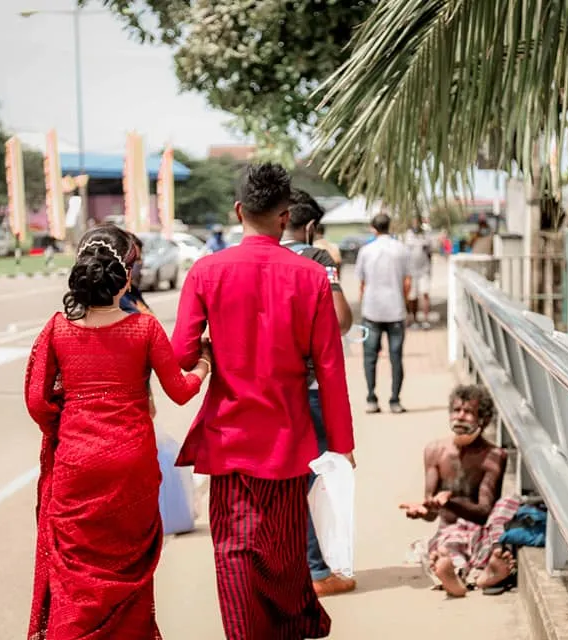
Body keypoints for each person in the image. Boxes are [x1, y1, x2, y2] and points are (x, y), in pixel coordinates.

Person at [171, 163, 355, 639]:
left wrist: (208, 355)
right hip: (289, 442)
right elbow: (330, 366)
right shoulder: (311, 276)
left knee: (234, 552)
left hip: (228, 442)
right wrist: (340, 440)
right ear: (285, 215)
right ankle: (294, 627)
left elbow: (181, 354)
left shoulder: (206, 271)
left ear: (238, 211)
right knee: (286, 556)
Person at [24, 224, 212, 639]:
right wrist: (203, 364)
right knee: (129, 572)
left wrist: (73, 418)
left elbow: (37, 402)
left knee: (76, 576)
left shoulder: (56, 330)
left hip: (76, 463)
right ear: (124, 278)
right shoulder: (143, 328)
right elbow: (180, 392)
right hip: (132, 466)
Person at [282, 188, 356, 596]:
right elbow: (341, 320)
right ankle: (316, 570)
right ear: (310, 227)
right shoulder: (316, 259)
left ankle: (290, 567)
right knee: (318, 476)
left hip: (265, 389)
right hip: (308, 385)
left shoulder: (259, 261)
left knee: (281, 477)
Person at [399, 384, 518, 598]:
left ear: (483, 419)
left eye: (469, 412)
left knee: (506, 510)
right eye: (456, 410)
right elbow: (433, 510)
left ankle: (485, 573)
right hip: (448, 530)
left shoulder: (493, 456)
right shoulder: (435, 451)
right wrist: (423, 511)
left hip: (480, 529)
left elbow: (484, 512)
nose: (460, 416)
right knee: (447, 547)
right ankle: (455, 577)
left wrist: (449, 501)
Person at [355, 212, 411, 414]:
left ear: (373, 228)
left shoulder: (366, 251)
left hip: (372, 310)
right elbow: (407, 282)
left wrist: (363, 301)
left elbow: (361, 282)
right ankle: (395, 400)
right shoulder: (402, 250)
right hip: (396, 310)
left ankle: (371, 398)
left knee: (370, 357)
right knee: (396, 357)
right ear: (390, 227)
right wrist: (404, 303)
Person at [404, 219, 433, 329]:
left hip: (424, 271)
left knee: (425, 293)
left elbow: (430, 252)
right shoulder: (407, 235)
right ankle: (413, 319)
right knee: (412, 296)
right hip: (411, 271)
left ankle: (425, 320)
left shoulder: (426, 234)